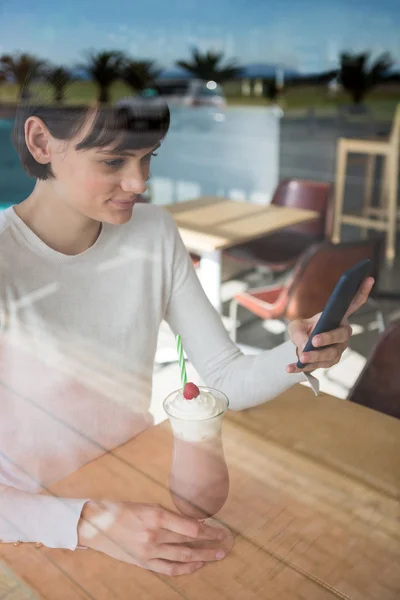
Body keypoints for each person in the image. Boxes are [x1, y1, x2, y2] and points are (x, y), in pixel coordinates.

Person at [0, 77, 374, 577]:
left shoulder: (153, 231)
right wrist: (90, 523)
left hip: (138, 482)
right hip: (34, 523)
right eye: (113, 161)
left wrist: (298, 351)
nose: (139, 182)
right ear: (41, 142)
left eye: (149, 156)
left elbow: (222, 375)